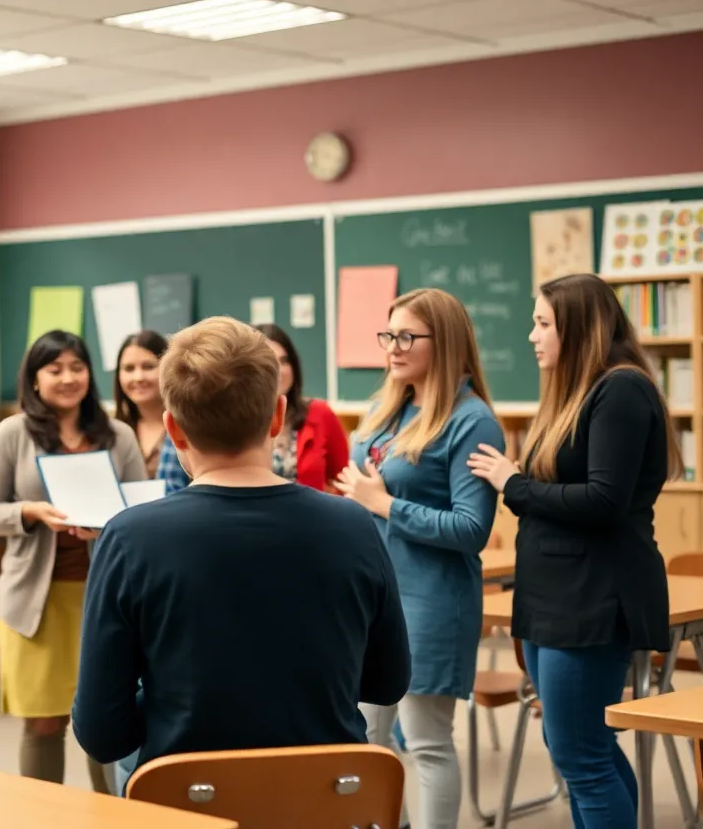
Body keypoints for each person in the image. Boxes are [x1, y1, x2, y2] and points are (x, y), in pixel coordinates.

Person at [73, 316, 411, 793]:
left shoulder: (130, 538)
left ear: (174, 429)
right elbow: (386, 682)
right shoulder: (353, 525)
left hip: (186, 799)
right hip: (326, 800)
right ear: (277, 415)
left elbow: (101, 733)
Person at [468, 273, 678, 829]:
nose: (531, 336)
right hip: (553, 596)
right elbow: (559, 493)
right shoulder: (576, 392)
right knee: (585, 751)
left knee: (581, 758)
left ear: (580, 328)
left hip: (591, 598)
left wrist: (513, 484)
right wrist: (520, 488)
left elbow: (603, 500)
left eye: (542, 323)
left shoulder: (622, 389)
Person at [337, 288, 503, 829]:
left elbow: (471, 529)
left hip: (432, 600)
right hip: (372, 596)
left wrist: (384, 503)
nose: (393, 347)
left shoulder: (470, 420)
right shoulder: (389, 404)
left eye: (407, 336)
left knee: (427, 741)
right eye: (388, 335)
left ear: (446, 340)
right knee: (365, 740)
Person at [0, 330, 146, 791]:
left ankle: (111, 816)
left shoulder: (117, 434)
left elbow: (141, 509)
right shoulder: (13, 433)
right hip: (36, 598)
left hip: (105, 596)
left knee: (106, 722)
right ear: (34, 380)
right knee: (44, 723)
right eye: (55, 370)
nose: (68, 378)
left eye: (77, 368)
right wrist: (30, 513)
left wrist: (109, 523)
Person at [255, 323, 349, 491]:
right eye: (269, 362)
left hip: (311, 515)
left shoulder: (320, 413)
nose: (280, 371)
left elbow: (345, 482)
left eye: (284, 361)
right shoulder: (236, 418)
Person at [113, 330, 173, 478]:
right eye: (129, 369)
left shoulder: (189, 427)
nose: (138, 377)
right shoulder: (113, 432)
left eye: (148, 367)